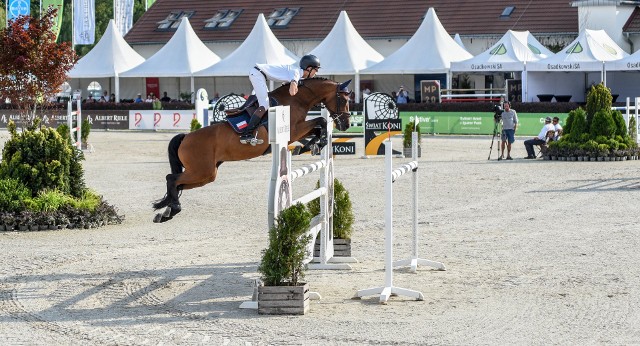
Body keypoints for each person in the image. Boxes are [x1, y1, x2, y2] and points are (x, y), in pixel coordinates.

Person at [240, 54, 321, 144]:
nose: (316, 73)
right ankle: (246, 134)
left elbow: (284, 87)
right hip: (257, 74)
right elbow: (292, 92)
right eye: (316, 70)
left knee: (268, 103)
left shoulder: (295, 73)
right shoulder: (296, 72)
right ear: (309, 68)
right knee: (265, 104)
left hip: (259, 75)